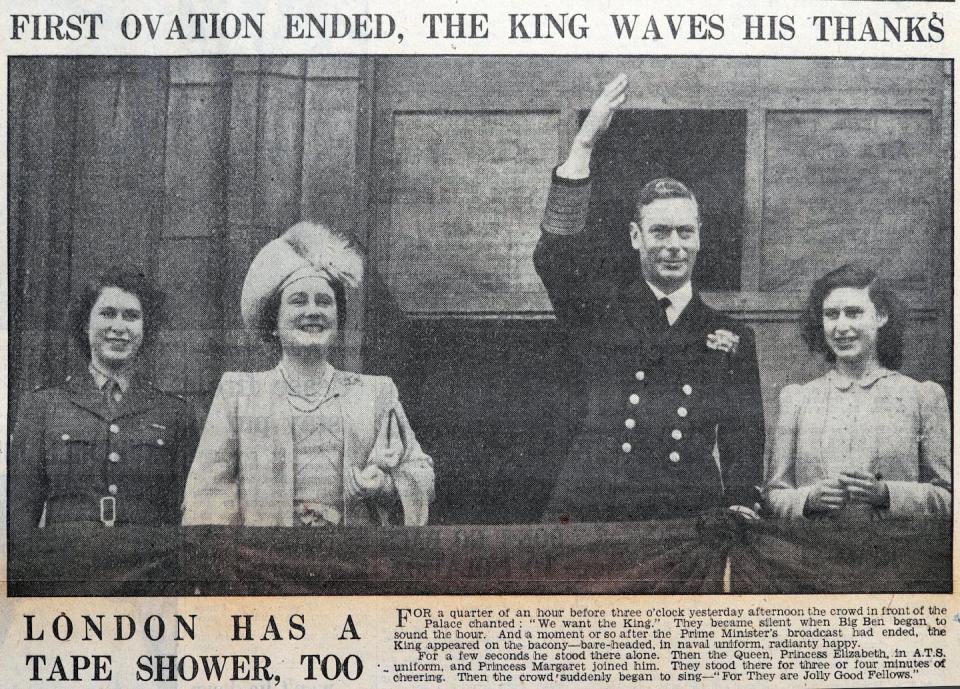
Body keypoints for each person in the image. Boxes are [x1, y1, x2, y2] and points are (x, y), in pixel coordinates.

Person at [534, 75, 765, 522]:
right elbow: (555, 256)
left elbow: (743, 438)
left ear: (700, 238)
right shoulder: (599, 310)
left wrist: (739, 507)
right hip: (594, 510)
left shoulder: (732, 334)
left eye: (686, 231)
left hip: (686, 515)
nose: (674, 245)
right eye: (660, 231)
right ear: (636, 237)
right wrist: (582, 147)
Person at [182, 221, 434, 527]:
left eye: (324, 302)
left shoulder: (376, 394)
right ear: (273, 321)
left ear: (337, 320)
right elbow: (208, 494)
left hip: (354, 563)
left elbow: (420, 472)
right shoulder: (239, 394)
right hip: (264, 564)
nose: (312, 311)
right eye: (298, 301)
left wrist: (384, 486)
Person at [9, 267, 198, 532]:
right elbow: (19, 516)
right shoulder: (42, 407)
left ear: (146, 328)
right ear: (86, 324)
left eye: (131, 317)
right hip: (66, 564)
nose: (118, 327)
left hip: (145, 566)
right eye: (107, 314)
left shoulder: (175, 413)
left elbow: (184, 515)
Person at [765, 264, 951, 520]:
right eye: (831, 315)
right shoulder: (797, 399)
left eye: (853, 313)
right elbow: (773, 495)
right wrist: (808, 500)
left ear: (881, 316)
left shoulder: (922, 397)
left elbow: (949, 498)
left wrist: (887, 493)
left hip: (896, 553)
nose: (840, 326)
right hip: (812, 553)